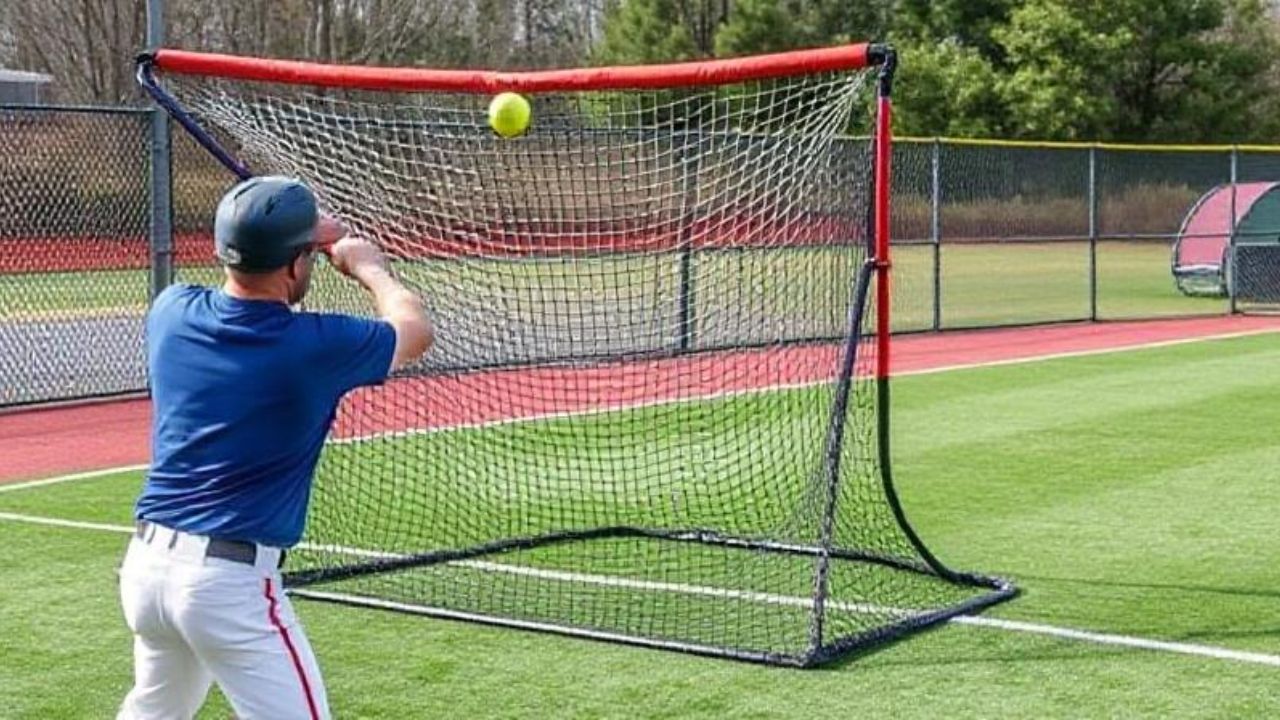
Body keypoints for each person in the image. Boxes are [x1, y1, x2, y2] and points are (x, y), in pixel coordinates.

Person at [116, 176, 432, 720]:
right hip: (226, 589)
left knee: (153, 713)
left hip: (146, 572)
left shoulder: (171, 311)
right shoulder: (313, 347)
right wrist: (367, 265)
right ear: (292, 266)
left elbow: (251, 273)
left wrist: (303, 239)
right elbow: (415, 329)